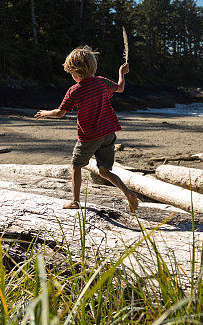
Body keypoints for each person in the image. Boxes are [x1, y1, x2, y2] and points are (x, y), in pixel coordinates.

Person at [35, 46, 139, 211]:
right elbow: (120, 88)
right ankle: (129, 194)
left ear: (75, 73)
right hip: (108, 133)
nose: (71, 77)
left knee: (76, 166)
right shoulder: (102, 82)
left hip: (90, 136)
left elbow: (60, 113)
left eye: (71, 73)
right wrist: (121, 73)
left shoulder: (74, 91)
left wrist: (45, 113)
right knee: (104, 172)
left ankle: (75, 201)